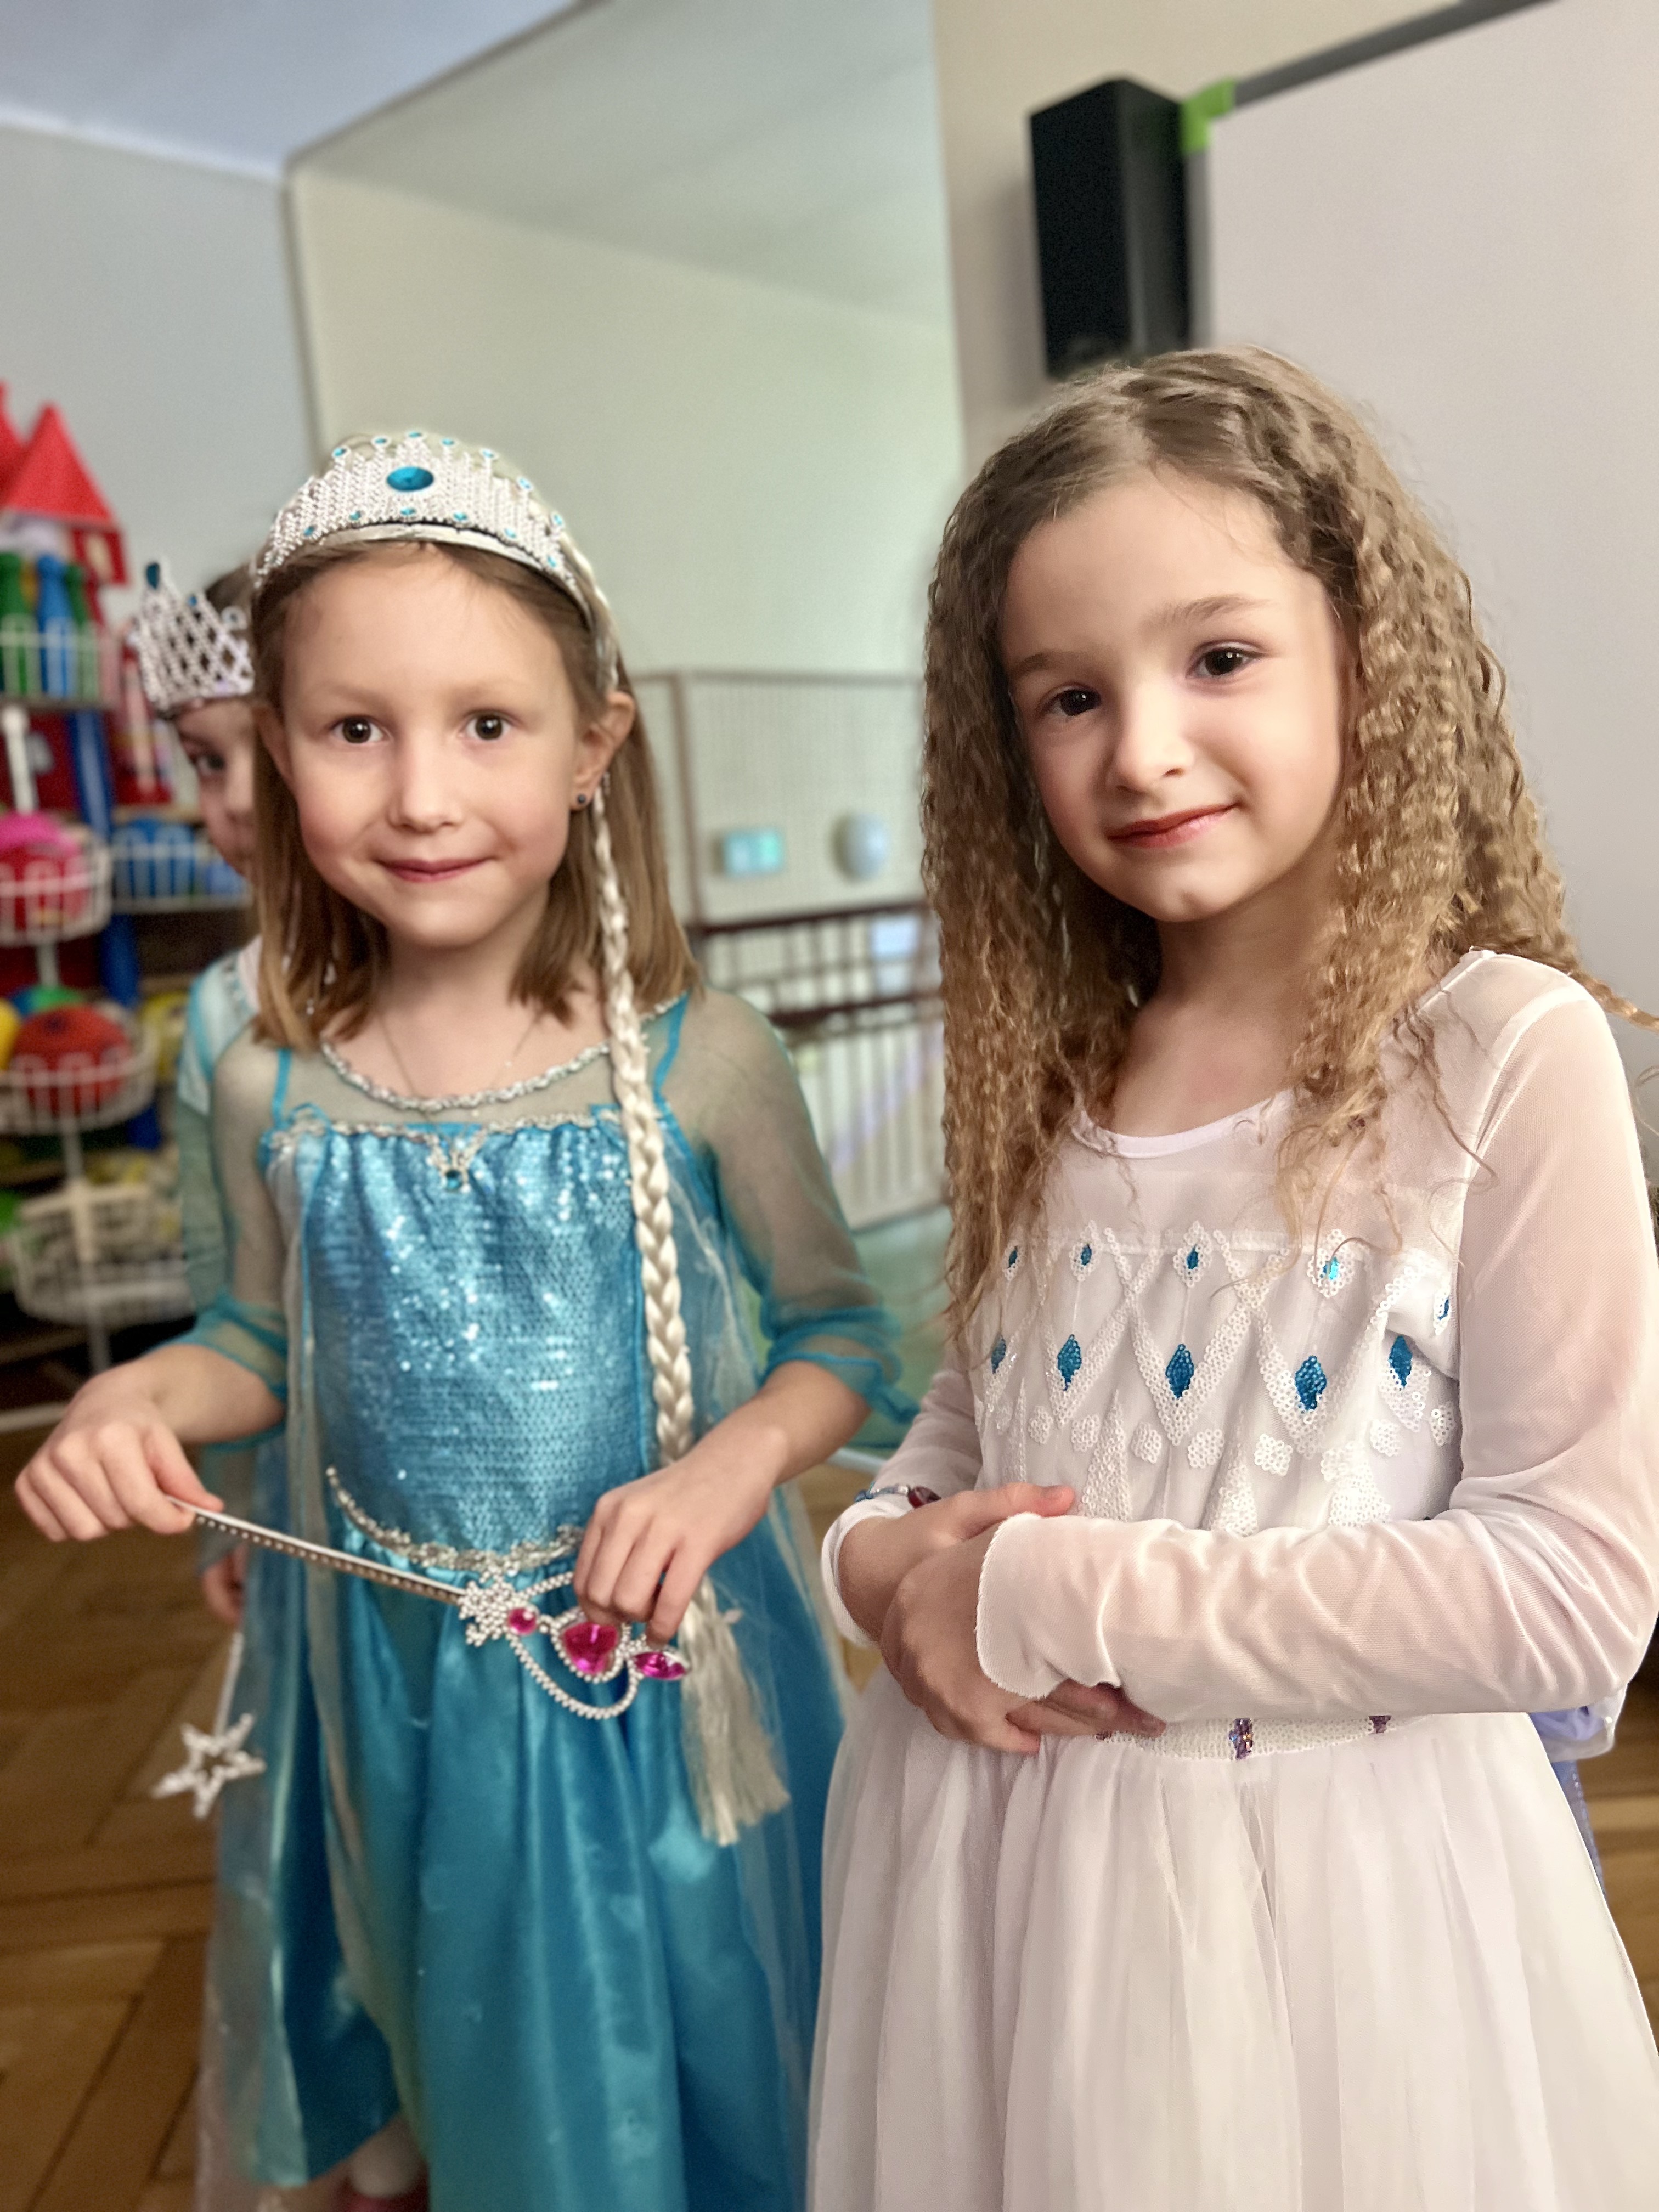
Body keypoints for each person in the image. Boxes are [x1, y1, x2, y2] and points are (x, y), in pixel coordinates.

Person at [811, 348, 1659, 2211]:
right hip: (992, 1874)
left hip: (1333, 1922)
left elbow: (1569, 1595)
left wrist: (1042, 1595)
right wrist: (873, 1567)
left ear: (1365, 654)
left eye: (1217, 658)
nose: (1141, 748)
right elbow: (958, 1435)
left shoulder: (1502, 1055)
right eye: (1068, 696)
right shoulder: (1054, 1067)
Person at [27, 437, 903, 2212]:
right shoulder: (271, 1086)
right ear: (281, 750)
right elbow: (255, 1343)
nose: (421, 794)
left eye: (486, 725)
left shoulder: (702, 1061)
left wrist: (728, 1471)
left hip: (666, 1677)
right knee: (496, 2063)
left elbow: (843, 1340)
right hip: (411, 1685)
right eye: (356, 730)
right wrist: (136, 1401)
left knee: (731, 2047)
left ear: (593, 744)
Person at [133, 563, 405, 2207]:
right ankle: (380, 2119)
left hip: (536, 1521)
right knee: (343, 1814)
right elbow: (223, 1284)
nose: (223, 804)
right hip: (317, 1504)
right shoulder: (226, 1020)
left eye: (255, 753)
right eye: (200, 761)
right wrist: (225, 1502)